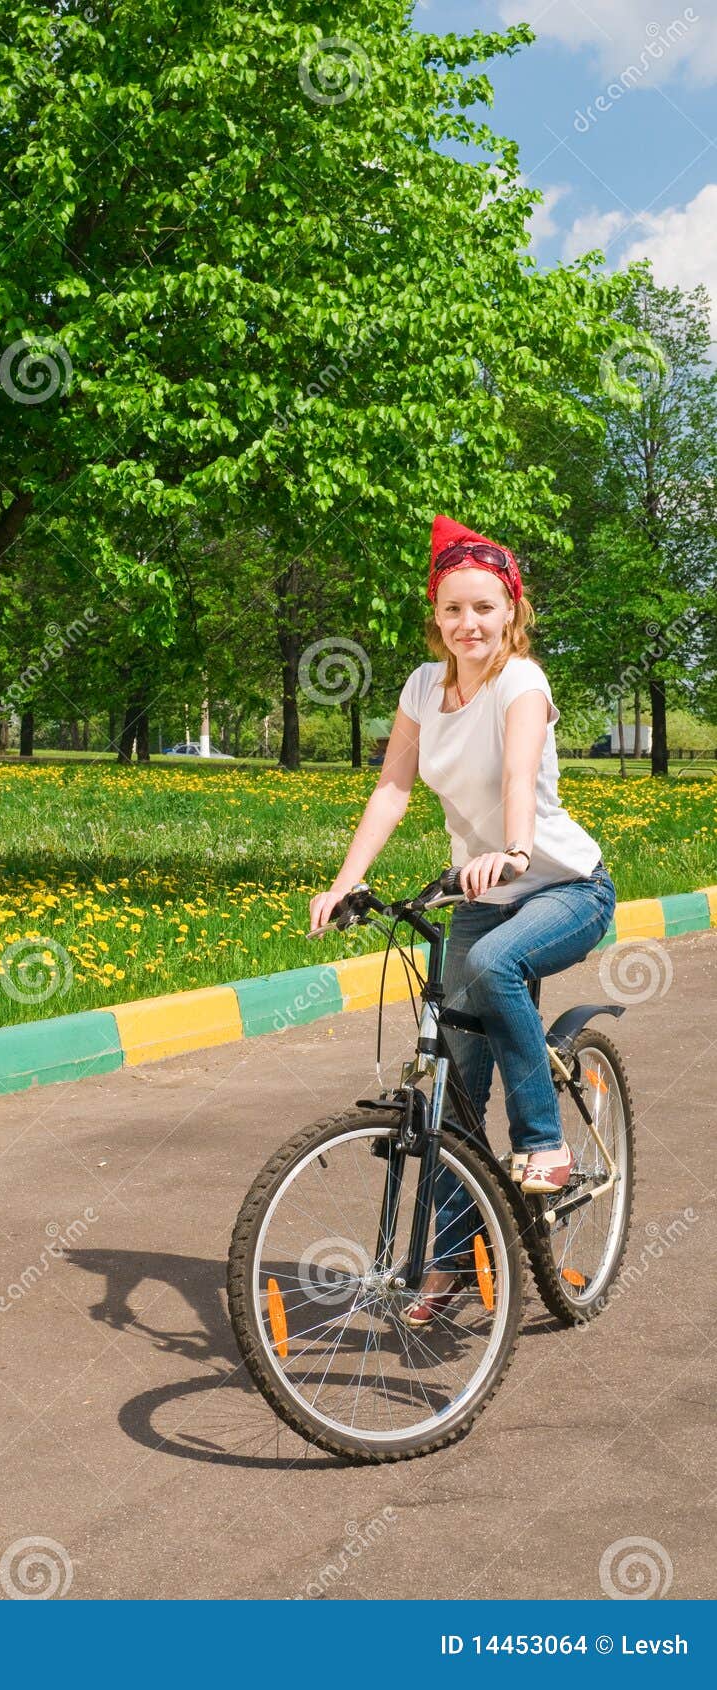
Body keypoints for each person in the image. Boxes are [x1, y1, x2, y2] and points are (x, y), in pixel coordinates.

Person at [309, 514, 617, 1327]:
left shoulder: (523, 683)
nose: (467, 625)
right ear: (434, 619)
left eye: (483, 609)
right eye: (451, 611)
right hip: (479, 897)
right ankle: (448, 1263)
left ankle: (544, 1142)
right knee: (447, 1087)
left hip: (562, 888)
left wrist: (514, 850)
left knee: (491, 969)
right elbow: (392, 788)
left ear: (509, 612)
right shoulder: (420, 685)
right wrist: (346, 882)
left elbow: (517, 772)